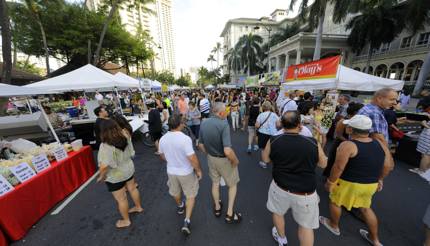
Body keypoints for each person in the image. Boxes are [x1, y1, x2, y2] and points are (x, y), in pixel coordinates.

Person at [320, 115, 394, 246]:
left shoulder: (348, 145)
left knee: (335, 202)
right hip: (370, 184)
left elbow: (338, 167)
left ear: (349, 130)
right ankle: (375, 240)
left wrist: (330, 182)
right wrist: (380, 179)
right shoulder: (379, 143)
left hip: (349, 183)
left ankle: (333, 225)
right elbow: (388, 165)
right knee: (365, 208)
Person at [262, 110, 327, 246]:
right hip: (305, 192)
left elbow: (265, 159)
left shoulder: (274, 140)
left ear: (282, 125)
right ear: (300, 124)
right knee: (306, 226)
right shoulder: (313, 143)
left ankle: (282, 238)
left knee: (278, 213)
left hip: (280, 187)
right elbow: (323, 163)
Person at [158, 114, 202, 235]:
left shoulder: (163, 139)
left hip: (171, 171)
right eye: (183, 122)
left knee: (175, 192)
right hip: (186, 172)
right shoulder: (185, 139)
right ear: (180, 125)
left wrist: (171, 160)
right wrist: (198, 170)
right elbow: (192, 158)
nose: (184, 124)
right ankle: (186, 220)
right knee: (190, 195)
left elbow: (161, 155)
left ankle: (180, 205)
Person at [199, 102, 242, 224]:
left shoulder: (204, 122)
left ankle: (217, 207)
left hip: (211, 158)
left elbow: (200, 144)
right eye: (226, 111)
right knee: (232, 185)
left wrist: (208, 154)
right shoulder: (223, 124)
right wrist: (235, 160)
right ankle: (229, 213)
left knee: (215, 183)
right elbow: (227, 150)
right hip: (224, 159)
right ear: (221, 113)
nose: (227, 113)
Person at [97, 119, 143, 228]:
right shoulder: (125, 135)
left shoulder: (105, 145)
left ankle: (126, 220)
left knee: (121, 199)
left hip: (115, 175)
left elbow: (104, 166)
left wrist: (101, 177)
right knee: (132, 188)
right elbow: (132, 152)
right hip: (128, 168)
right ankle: (138, 207)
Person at [323, 102, 364, 177]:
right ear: (355, 112)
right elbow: (339, 135)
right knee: (335, 162)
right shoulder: (343, 121)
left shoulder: (359, 121)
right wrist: (349, 142)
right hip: (340, 143)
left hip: (351, 145)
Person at [256, 101, 280, 168]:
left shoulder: (261, 115)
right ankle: (272, 160)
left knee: (263, 148)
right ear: (270, 107)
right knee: (272, 148)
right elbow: (278, 124)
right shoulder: (274, 115)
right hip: (273, 134)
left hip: (263, 133)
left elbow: (257, 125)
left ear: (263, 107)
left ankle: (264, 163)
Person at [411, 101, 430, 175]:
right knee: (428, 154)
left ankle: (421, 170)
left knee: (425, 155)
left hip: (428, 136)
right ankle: (425, 169)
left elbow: (427, 125)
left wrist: (424, 123)